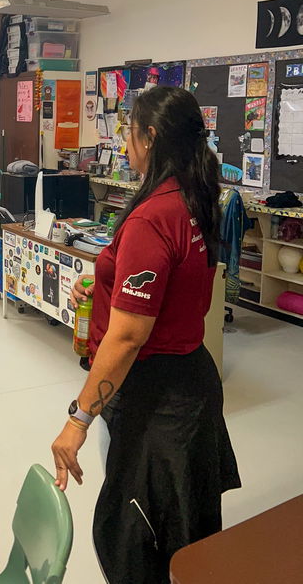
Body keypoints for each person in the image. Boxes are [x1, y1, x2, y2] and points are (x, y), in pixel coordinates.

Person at [50, 85, 239, 584]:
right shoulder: (193, 196)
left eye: (128, 133)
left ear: (150, 137)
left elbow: (128, 337)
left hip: (153, 396)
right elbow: (172, 283)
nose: (124, 143)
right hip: (190, 382)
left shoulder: (153, 216)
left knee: (140, 539)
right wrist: (103, 284)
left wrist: (78, 418)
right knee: (183, 528)